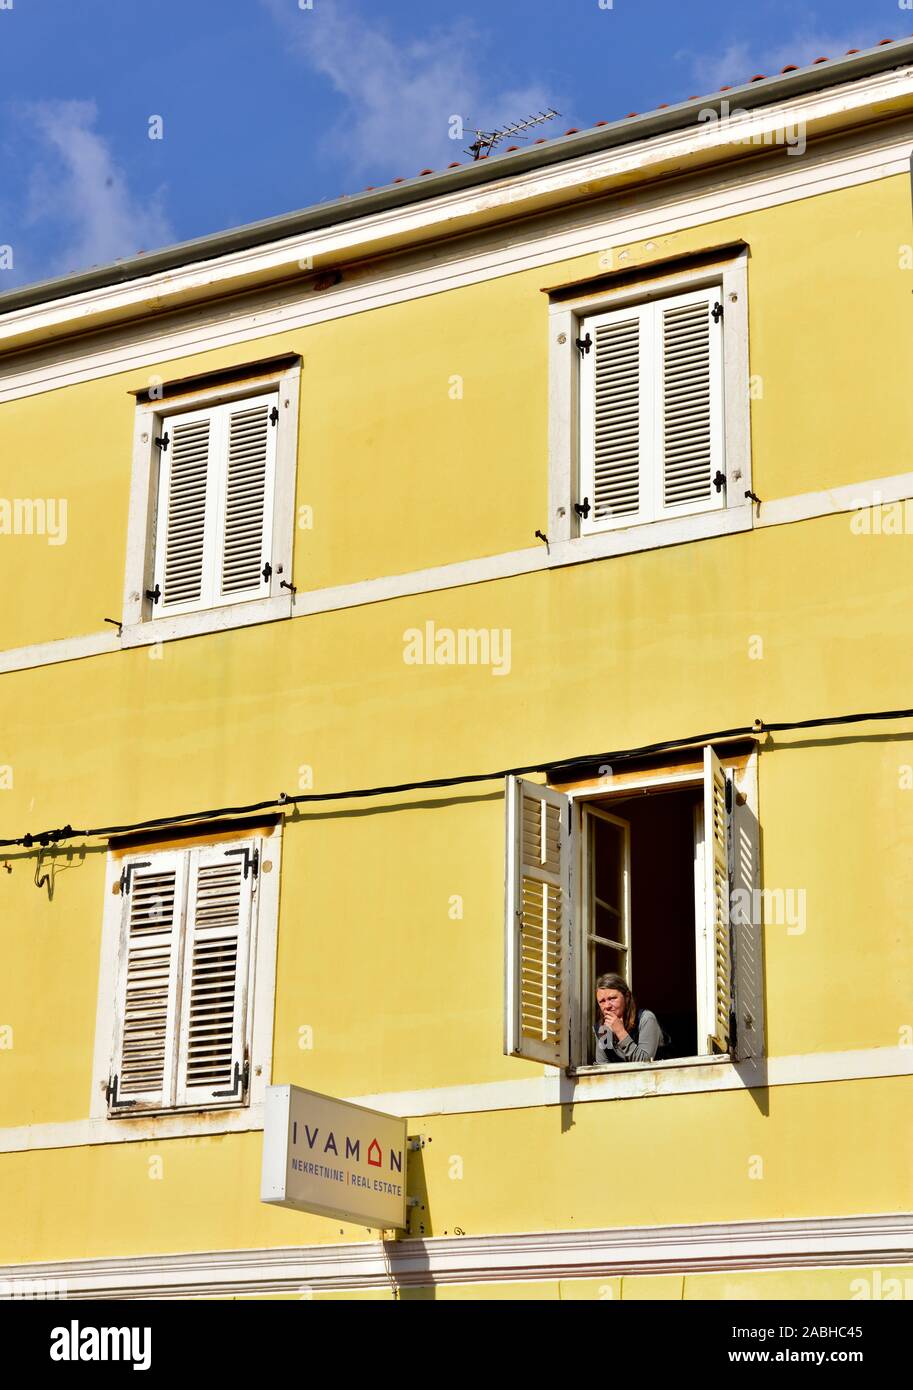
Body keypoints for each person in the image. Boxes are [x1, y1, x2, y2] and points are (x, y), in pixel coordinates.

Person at [593, 973, 667, 1064]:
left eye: (612, 998)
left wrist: (620, 1031)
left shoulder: (645, 1019)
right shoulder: (604, 1028)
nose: (607, 1006)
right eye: (602, 1001)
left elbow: (645, 1063)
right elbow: (603, 1065)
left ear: (627, 997)